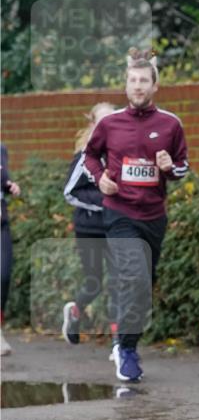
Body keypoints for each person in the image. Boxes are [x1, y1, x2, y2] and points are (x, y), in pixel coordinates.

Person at [84, 49, 189, 382]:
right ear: (126, 85)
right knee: (135, 277)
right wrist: (100, 177)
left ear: (154, 85)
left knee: (144, 286)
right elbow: (89, 156)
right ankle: (126, 349)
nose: (138, 86)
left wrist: (169, 168)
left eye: (144, 80)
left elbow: (183, 167)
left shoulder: (170, 124)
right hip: (120, 213)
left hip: (154, 216)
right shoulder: (109, 123)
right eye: (133, 80)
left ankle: (124, 342)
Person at [62, 102, 117, 346]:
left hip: (116, 227)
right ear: (93, 124)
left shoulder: (122, 153)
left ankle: (120, 343)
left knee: (119, 281)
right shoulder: (84, 156)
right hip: (89, 229)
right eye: (102, 121)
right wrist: (105, 202)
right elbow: (69, 192)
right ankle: (75, 311)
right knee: (94, 282)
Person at [1, 144, 21, 357]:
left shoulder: (1, 150)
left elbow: (2, 181)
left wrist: (10, 187)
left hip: (1, 224)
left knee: (3, 276)